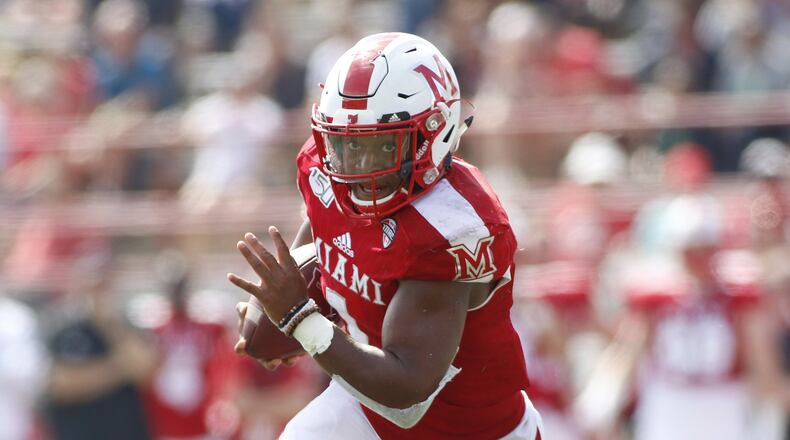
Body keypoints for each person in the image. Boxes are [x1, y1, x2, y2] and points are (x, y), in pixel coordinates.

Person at [227, 32, 543, 439]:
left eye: (379, 147)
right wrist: (286, 304)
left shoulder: (453, 228)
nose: (355, 168)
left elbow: (407, 392)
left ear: (436, 131)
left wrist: (300, 319)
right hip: (367, 411)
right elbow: (328, 241)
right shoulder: (327, 168)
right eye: (346, 145)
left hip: (469, 428)